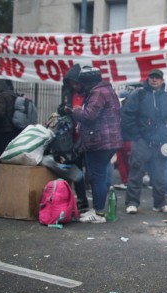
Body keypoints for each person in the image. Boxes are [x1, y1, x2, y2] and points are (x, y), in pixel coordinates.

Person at [122, 68, 167, 214]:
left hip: (160, 144)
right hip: (141, 142)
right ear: (148, 79)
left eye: (157, 77)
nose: (154, 79)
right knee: (136, 173)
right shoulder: (139, 95)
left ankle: (160, 204)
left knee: (159, 175)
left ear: (162, 80)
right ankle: (132, 203)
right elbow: (127, 116)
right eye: (151, 77)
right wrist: (136, 136)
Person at [69, 66, 123, 223]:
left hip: (100, 141)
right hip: (109, 140)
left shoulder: (98, 92)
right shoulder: (107, 90)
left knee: (97, 177)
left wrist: (73, 111)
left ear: (87, 81)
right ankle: (98, 209)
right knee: (99, 176)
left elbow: (89, 115)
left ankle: (98, 213)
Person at [57, 64, 89, 212]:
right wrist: (64, 109)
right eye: (72, 83)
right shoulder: (68, 93)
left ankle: (89, 200)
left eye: (76, 83)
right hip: (71, 136)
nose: (74, 86)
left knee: (90, 170)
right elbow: (60, 109)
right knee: (75, 169)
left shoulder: (90, 94)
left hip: (87, 135)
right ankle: (80, 199)